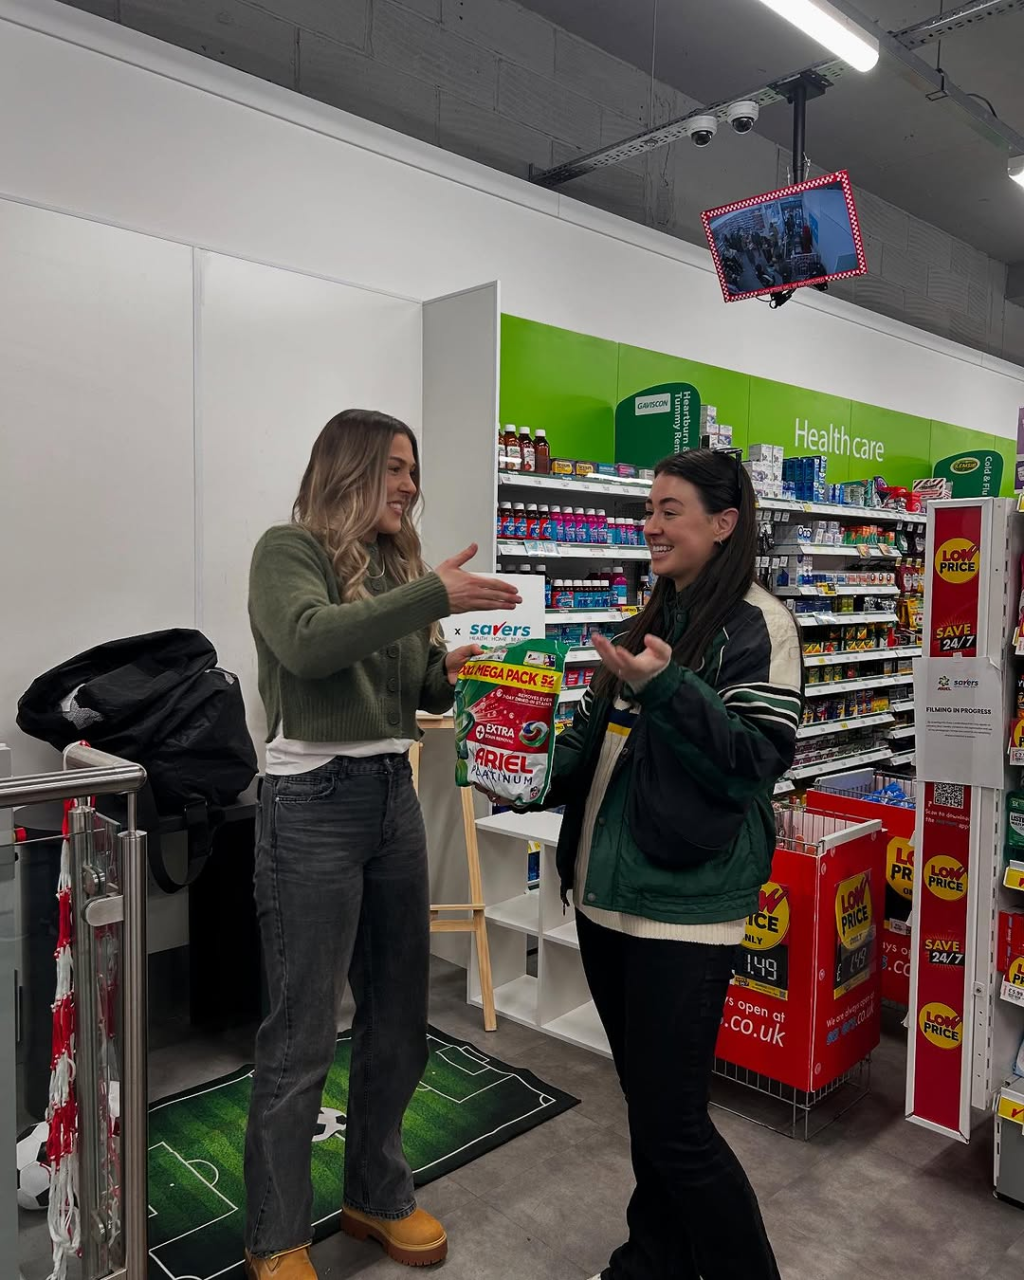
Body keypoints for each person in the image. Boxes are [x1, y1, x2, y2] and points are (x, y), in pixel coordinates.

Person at [243, 409, 521, 1280]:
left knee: (399, 1016)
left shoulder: (400, 566)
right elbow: (309, 643)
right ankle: (276, 1237)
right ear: (350, 468)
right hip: (310, 800)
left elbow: (411, 685)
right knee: (301, 1034)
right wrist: (432, 597)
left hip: (388, 794)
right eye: (396, 468)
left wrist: (459, 668)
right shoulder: (286, 551)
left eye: (413, 470)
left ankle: (377, 1193)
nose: (410, 484)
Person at [549, 449, 803, 1280]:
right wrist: (520, 762)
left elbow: (753, 761)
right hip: (606, 897)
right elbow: (593, 742)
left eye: (670, 509)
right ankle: (650, 1262)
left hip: (683, 911)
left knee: (676, 1127)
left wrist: (664, 688)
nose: (650, 526)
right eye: (647, 511)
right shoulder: (649, 613)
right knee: (652, 1113)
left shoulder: (757, 624)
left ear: (723, 523)